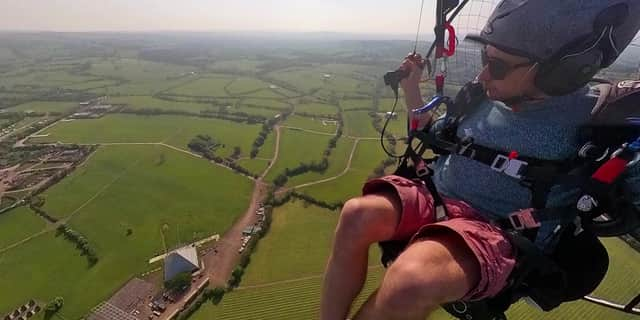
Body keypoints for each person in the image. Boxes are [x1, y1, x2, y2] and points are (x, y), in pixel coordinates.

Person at [320, 1, 640, 319]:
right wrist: (412, 88)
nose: (484, 73)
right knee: (356, 214)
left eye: (497, 66)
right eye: (486, 59)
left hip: (497, 230)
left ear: (560, 71)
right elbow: (433, 133)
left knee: (410, 281)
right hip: (437, 195)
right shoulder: (481, 97)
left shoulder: (600, 120)